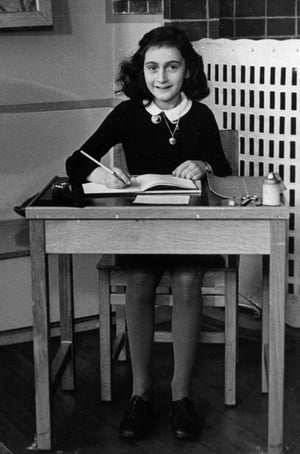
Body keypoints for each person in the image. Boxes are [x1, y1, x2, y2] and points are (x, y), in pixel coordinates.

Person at [66, 25, 232, 440]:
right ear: (140, 71)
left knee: (188, 280)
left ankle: (181, 396)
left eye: (171, 67)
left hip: (192, 233)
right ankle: (141, 394)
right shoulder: (127, 114)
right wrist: (104, 176)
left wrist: (204, 165)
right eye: (152, 67)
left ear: (187, 71)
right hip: (142, 232)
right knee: (139, 281)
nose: (161, 77)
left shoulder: (201, 116)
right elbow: (77, 162)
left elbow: (224, 173)